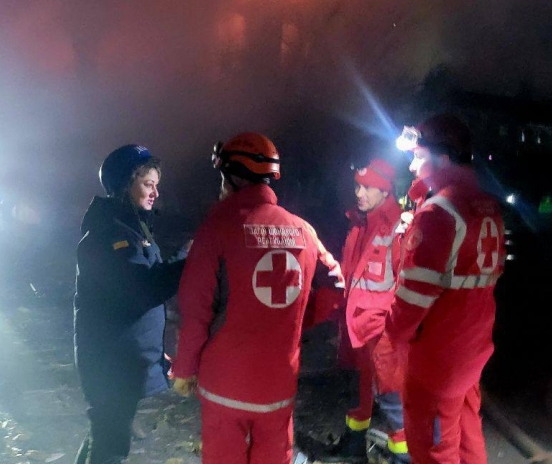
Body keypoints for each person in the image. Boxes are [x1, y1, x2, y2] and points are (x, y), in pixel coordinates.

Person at [171, 132, 341, 464]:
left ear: (233, 176)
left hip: (224, 385)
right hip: (278, 385)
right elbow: (335, 286)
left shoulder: (217, 227)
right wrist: (296, 320)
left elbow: (196, 308)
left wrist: (185, 369)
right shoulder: (303, 230)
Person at [391, 114, 505, 464]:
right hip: (471, 349)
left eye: (418, 156)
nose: (412, 165)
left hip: (436, 362)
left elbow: (411, 300)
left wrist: (393, 335)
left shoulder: (438, 213)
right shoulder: (488, 205)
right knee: (469, 438)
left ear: (441, 157)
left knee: (433, 452)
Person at [73, 144, 190, 464]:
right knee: (111, 446)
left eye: (156, 185)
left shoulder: (128, 228)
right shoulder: (111, 235)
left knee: (105, 435)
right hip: (110, 363)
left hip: (120, 359)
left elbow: (144, 282)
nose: (155, 192)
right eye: (147, 184)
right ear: (125, 184)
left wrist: (151, 352)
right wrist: (190, 259)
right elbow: (142, 290)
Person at [320, 158, 410, 464]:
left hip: (383, 333)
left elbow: (407, 286)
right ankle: (354, 446)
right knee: (357, 392)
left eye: (368, 187)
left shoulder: (400, 229)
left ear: (385, 191)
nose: (359, 193)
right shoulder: (359, 223)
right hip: (357, 327)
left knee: (392, 398)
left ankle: (404, 457)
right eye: (358, 185)